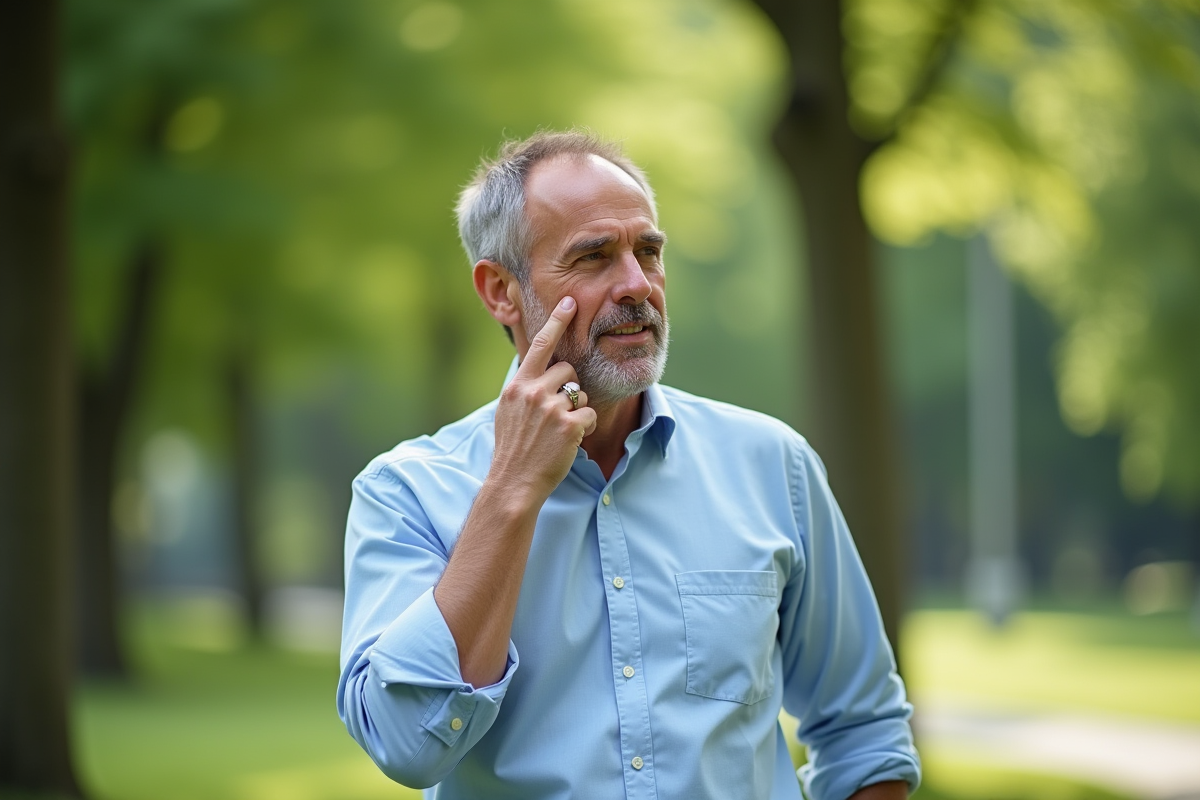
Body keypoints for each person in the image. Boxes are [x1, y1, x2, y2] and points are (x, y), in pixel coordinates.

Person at [337, 130, 920, 800]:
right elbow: (406, 743)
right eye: (593, 258)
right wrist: (512, 491)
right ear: (501, 290)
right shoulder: (406, 492)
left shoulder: (773, 466)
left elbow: (866, 735)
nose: (637, 285)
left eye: (648, 251)